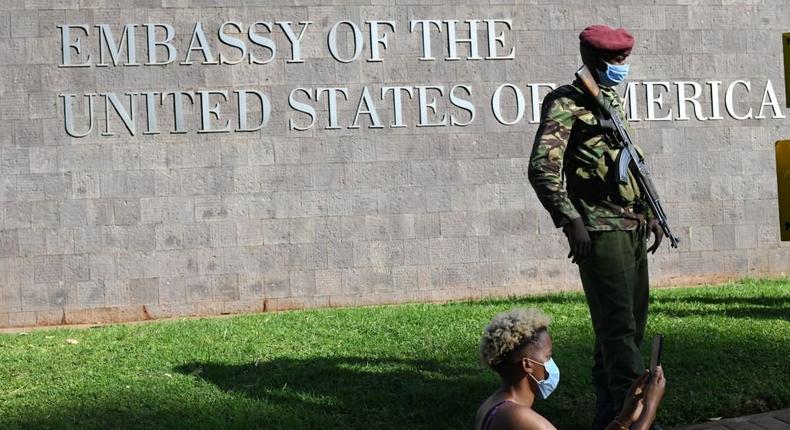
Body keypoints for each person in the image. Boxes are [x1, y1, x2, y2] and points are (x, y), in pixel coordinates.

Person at [527, 24, 666, 429]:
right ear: (593, 59)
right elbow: (542, 169)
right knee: (619, 330)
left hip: (632, 227)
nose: (623, 66)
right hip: (600, 233)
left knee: (628, 328)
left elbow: (628, 167)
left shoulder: (608, 101)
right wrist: (571, 221)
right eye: (616, 60)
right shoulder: (565, 103)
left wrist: (650, 211)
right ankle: (639, 418)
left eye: (625, 59)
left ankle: (609, 411)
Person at [474, 308, 665, 430]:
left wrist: (626, 416)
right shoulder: (522, 419)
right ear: (527, 365)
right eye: (548, 357)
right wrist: (650, 409)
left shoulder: (491, 406)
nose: (552, 363)